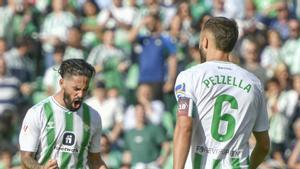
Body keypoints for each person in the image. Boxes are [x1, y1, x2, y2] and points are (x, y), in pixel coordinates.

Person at [173, 17, 270, 169]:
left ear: (205, 42)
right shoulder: (254, 83)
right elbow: (264, 145)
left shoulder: (189, 76)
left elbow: (184, 127)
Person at [19, 59, 108, 169]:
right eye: (76, 89)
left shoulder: (93, 117)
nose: (81, 94)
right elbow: (25, 159)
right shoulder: (38, 112)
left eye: (85, 90)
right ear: (62, 83)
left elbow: (95, 161)